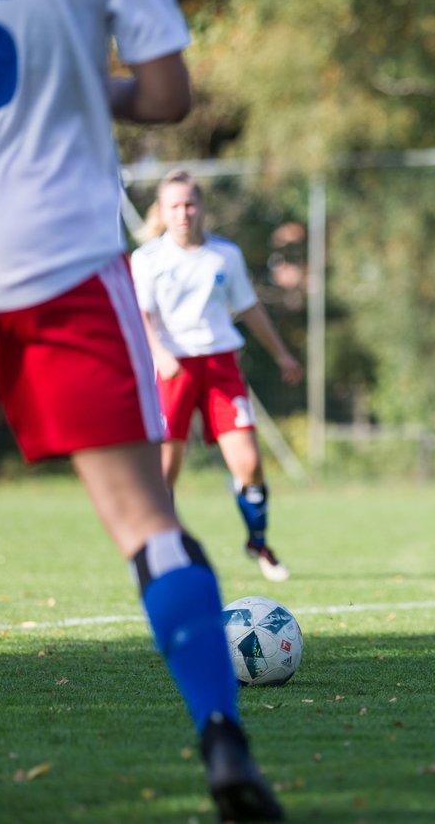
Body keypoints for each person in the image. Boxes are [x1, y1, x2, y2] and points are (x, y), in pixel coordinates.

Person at [0, 0, 283, 820]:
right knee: (150, 526)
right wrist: (65, 77)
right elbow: (166, 94)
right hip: (59, 261)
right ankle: (221, 736)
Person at [131, 170, 304, 582]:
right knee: (165, 471)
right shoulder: (148, 259)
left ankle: (258, 543)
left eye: (190, 203)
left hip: (221, 364)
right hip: (172, 369)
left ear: (202, 206)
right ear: (162, 210)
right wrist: (159, 354)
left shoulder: (225, 255)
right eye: (174, 205)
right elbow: (141, 315)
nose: (183, 212)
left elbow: (249, 307)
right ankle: (167, 553)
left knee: (249, 466)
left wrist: (282, 355)